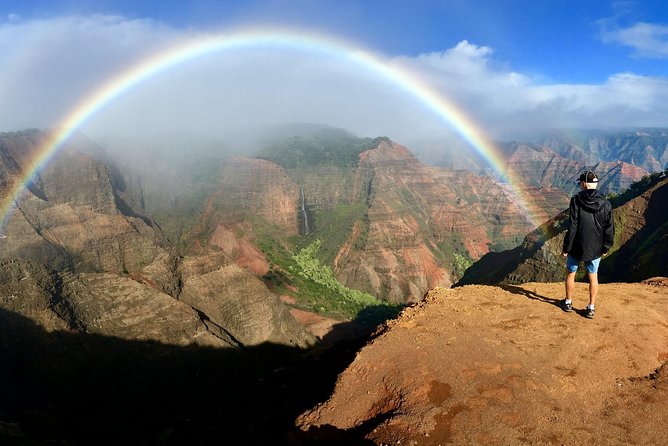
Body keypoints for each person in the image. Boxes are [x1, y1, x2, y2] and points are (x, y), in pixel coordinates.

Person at [561, 170, 614, 319]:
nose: (579, 185)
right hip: (596, 247)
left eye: (580, 182)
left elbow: (572, 226)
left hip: (576, 245)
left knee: (571, 273)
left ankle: (568, 302)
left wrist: (566, 247)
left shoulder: (576, 200)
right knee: (593, 277)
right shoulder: (606, 203)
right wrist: (606, 247)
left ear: (584, 184)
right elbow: (609, 228)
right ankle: (591, 307)